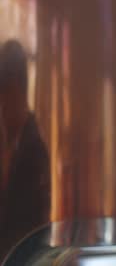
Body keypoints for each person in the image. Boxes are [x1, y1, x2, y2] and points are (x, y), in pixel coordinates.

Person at [0, 39, 50, 261]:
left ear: (16, 90)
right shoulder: (10, 143)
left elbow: (31, 228)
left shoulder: (34, 150)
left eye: (2, 95)